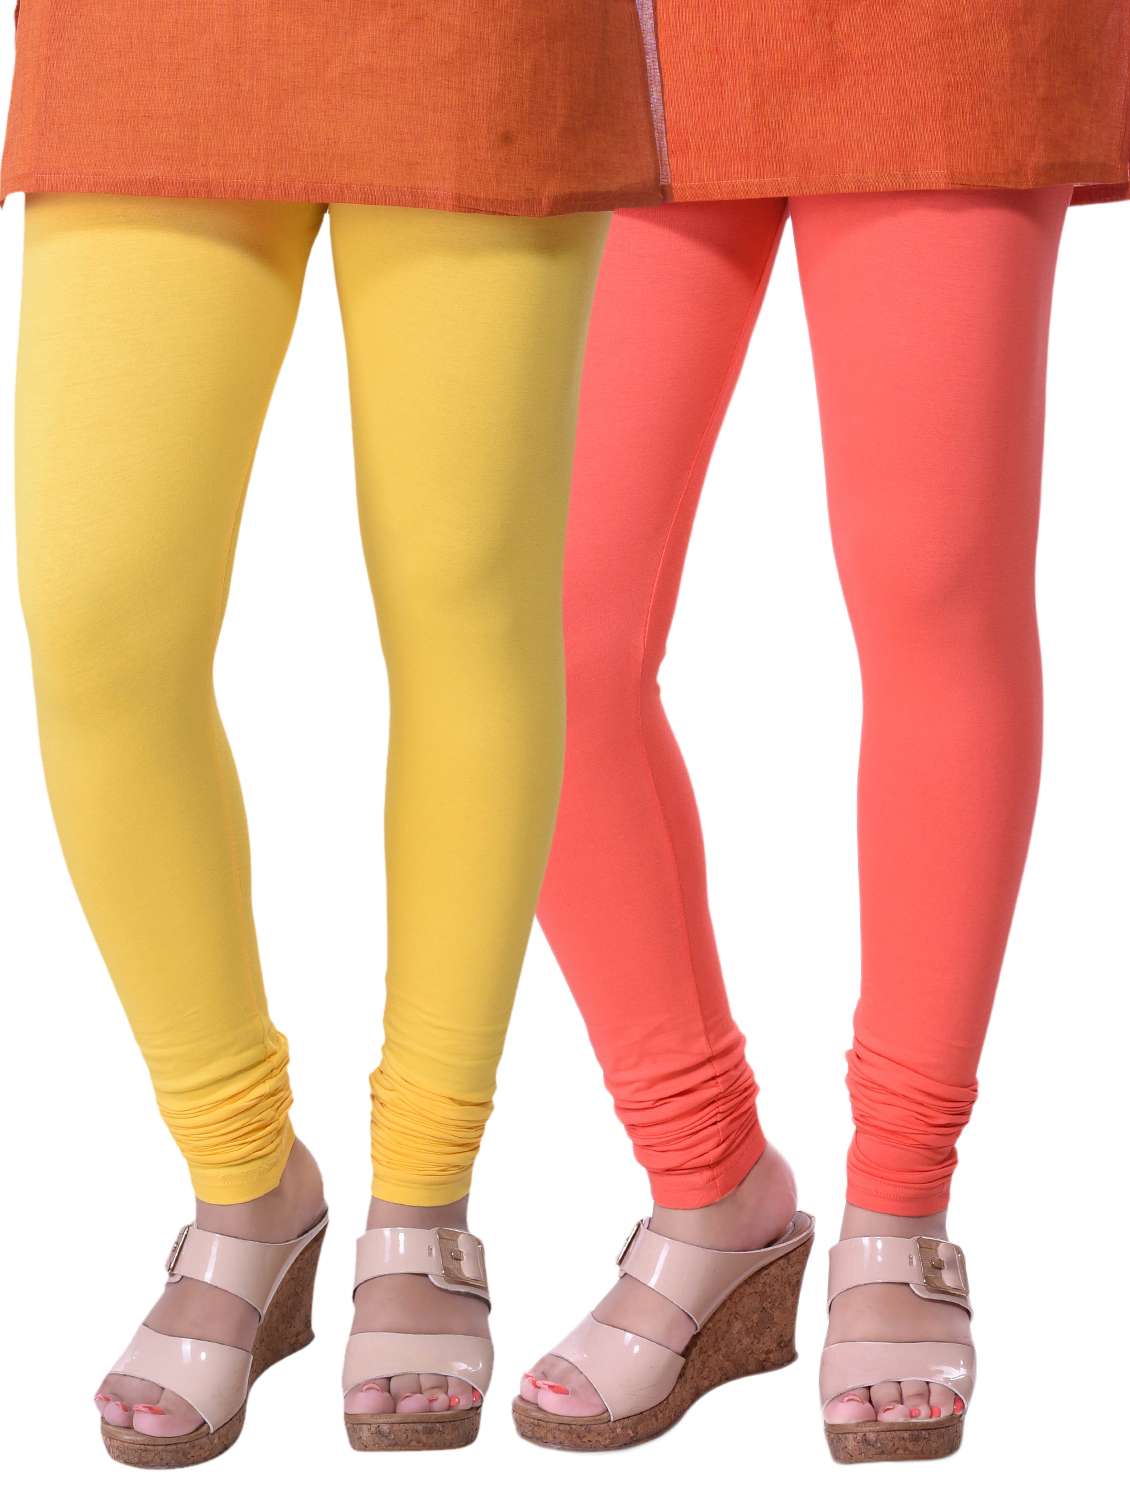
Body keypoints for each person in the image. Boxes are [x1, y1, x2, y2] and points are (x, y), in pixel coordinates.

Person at [1, 0, 662, 1465]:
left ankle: (422, 1197)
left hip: (478, 38)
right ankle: (244, 1176)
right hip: (151, 41)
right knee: (99, 623)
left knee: (467, 602)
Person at [516, 2, 1129, 1464]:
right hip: (618, 36)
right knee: (531, 636)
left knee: (936, 595)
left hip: (939, 31)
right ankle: (706, 1181)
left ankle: (900, 1207)